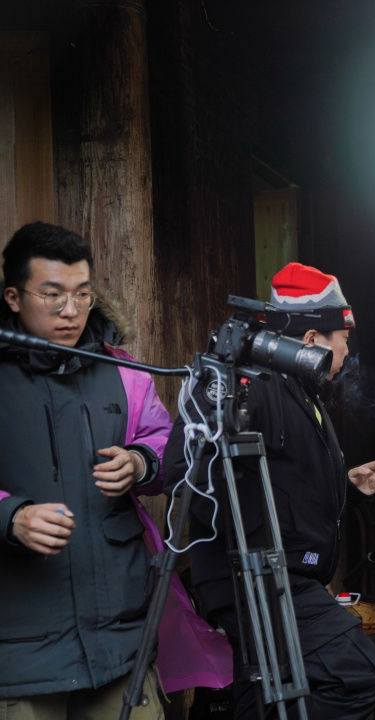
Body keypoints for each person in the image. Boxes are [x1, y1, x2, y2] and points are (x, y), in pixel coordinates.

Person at [163, 262, 375, 719]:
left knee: (262, 693)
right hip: (257, 577)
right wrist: (262, 542)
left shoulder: (300, 391)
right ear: (310, 341)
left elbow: (273, 475)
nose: (346, 355)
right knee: (362, 674)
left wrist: (344, 481)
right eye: (342, 343)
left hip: (286, 575)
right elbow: (183, 468)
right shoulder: (249, 384)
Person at [0, 222, 174, 718]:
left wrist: (141, 463)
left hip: (119, 642)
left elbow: (163, 441)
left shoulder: (122, 369)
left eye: (82, 295)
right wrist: (10, 516)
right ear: (14, 296)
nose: (71, 311)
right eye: (52, 295)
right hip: (18, 650)